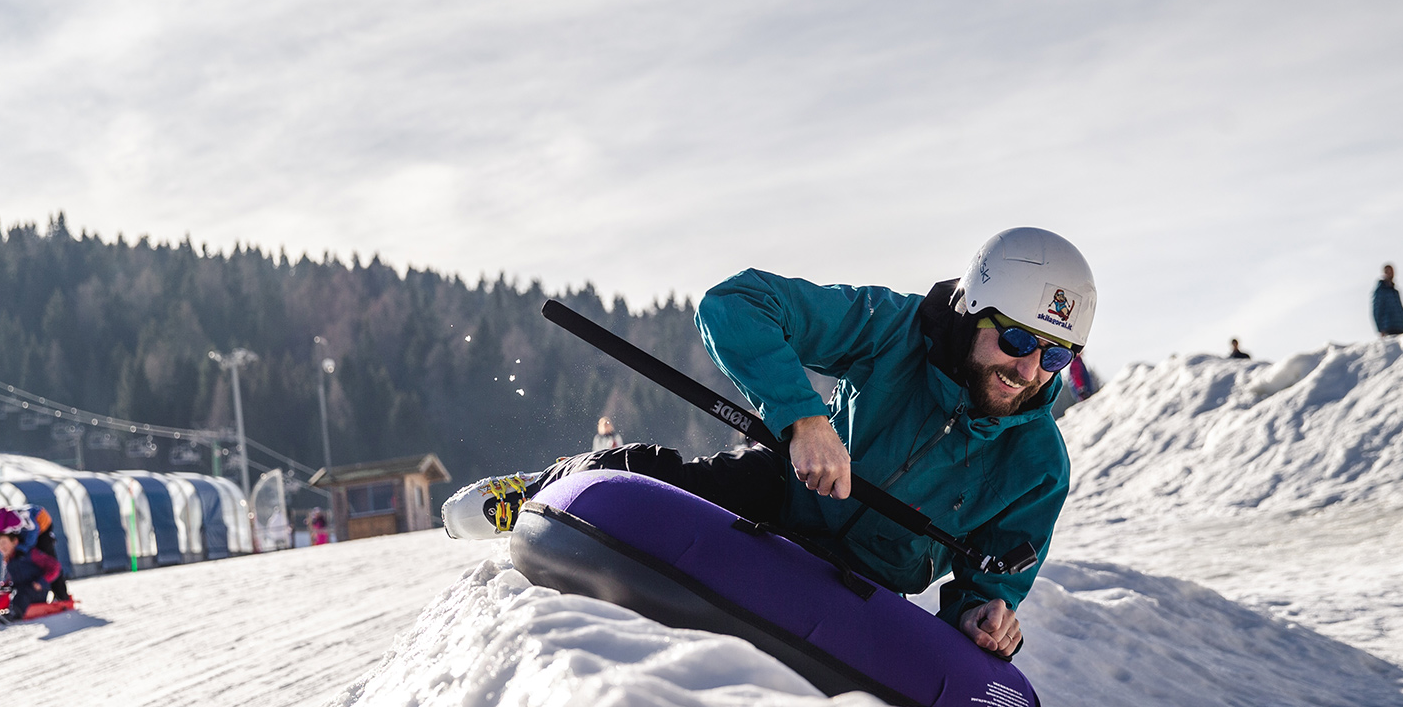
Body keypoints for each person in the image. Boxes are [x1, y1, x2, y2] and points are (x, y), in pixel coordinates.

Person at [442, 226, 1099, 661]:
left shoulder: (1039, 467)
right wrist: (804, 421)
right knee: (636, 475)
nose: (1028, 369)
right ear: (970, 312)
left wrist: (985, 619)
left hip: (865, 582)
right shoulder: (896, 328)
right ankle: (536, 492)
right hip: (785, 493)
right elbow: (735, 304)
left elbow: (988, 586)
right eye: (1015, 340)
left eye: (1054, 354)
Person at [0, 502, 69, 601]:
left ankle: (62, 596)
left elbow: (33, 529)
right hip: (27, 532)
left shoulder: (12, 518)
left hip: (41, 524)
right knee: (21, 558)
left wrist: (23, 548)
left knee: (47, 558)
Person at [1372, 264, 1403, 337]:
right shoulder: (1381, 290)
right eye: (1388, 271)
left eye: (1392, 271)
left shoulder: (1395, 291)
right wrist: (1380, 328)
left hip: (1400, 328)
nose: (1390, 274)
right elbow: (1377, 309)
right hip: (1388, 327)